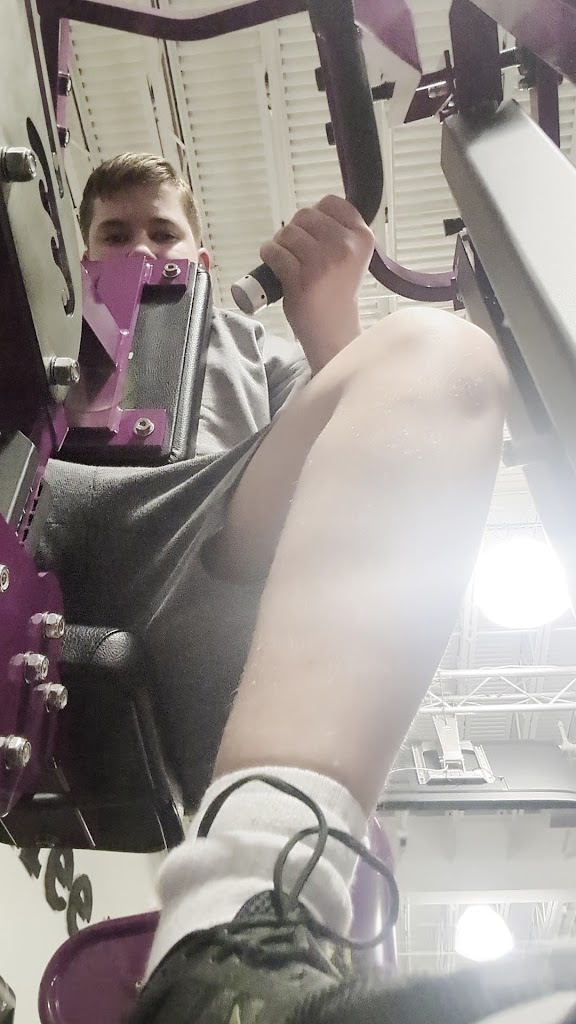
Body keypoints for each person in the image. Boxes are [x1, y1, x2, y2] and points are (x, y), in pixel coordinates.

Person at [43, 154, 575, 1023]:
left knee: (440, 356)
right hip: (40, 498)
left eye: (162, 232)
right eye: (116, 233)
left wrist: (327, 319)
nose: (140, 249)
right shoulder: (47, 328)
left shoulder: (254, 344)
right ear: (79, 254)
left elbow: (363, 448)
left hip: (207, 540)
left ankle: (227, 945)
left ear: (201, 258)